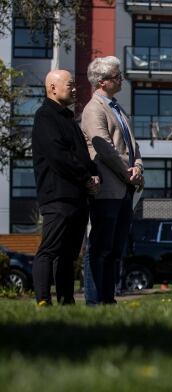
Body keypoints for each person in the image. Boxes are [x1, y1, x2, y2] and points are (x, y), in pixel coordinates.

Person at [31, 70, 100, 306]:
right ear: (52, 88)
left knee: (68, 255)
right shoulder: (45, 117)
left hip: (77, 198)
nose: (74, 89)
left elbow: (82, 155)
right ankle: (42, 301)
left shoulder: (69, 119)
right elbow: (58, 156)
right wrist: (86, 178)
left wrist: (94, 174)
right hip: (58, 197)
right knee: (49, 250)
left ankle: (66, 301)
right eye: (69, 84)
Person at [81, 56, 144, 305]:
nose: (122, 80)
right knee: (100, 247)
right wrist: (127, 172)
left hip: (125, 189)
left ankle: (108, 299)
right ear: (103, 81)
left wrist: (137, 166)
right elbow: (104, 148)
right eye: (118, 76)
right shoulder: (93, 109)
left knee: (116, 249)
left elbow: (133, 146)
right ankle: (95, 301)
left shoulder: (118, 109)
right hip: (107, 189)